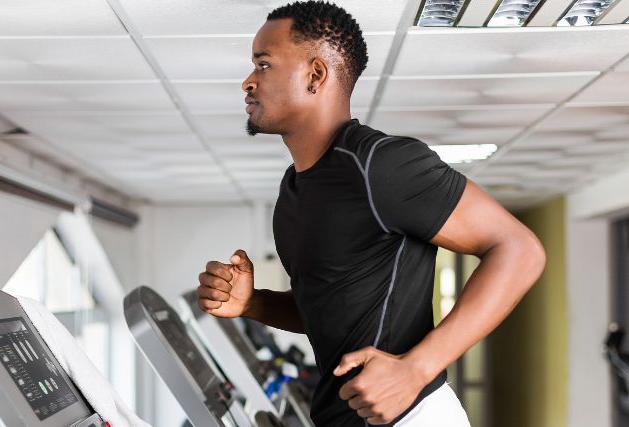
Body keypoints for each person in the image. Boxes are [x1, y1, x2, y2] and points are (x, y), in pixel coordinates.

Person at [196, 1, 546, 425]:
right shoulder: (294, 191)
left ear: (315, 75)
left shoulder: (382, 164)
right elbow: (329, 312)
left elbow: (520, 249)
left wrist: (416, 369)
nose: (248, 82)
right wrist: (254, 304)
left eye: (263, 65)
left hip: (409, 416)